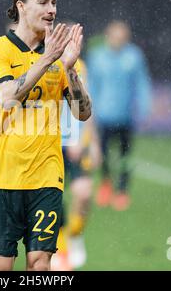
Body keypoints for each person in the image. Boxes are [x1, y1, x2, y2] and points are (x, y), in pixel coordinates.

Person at [0, 0, 91, 271]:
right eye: (43, 2)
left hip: (46, 175)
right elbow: (6, 98)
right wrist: (46, 59)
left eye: (54, 2)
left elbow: (83, 112)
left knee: (40, 264)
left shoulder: (64, 57)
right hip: (2, 175)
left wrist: (70, 70)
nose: (51, 9)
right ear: (21, 7)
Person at [88, 20, 152, 211]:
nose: (118, 41)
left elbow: (142, 83)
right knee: (103, 155)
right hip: (103, 116)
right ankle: (106, 184)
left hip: (126, 116)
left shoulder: (133, 57)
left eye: (122, 37)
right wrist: (89, 110)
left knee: (125, 156)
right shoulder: (97, 56)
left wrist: (144, 107)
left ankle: (122, 190)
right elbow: (91, 84)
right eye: (115, 36)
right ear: (108, 36)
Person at [52, 58, 101, 271]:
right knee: (52, 198)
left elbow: (85, 103)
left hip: (76, 144)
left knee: (83, 194)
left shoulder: (79, 66)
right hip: (50, 143)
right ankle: (61, 250)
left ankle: (75, 235)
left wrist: (92, 142)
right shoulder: (41, 61)